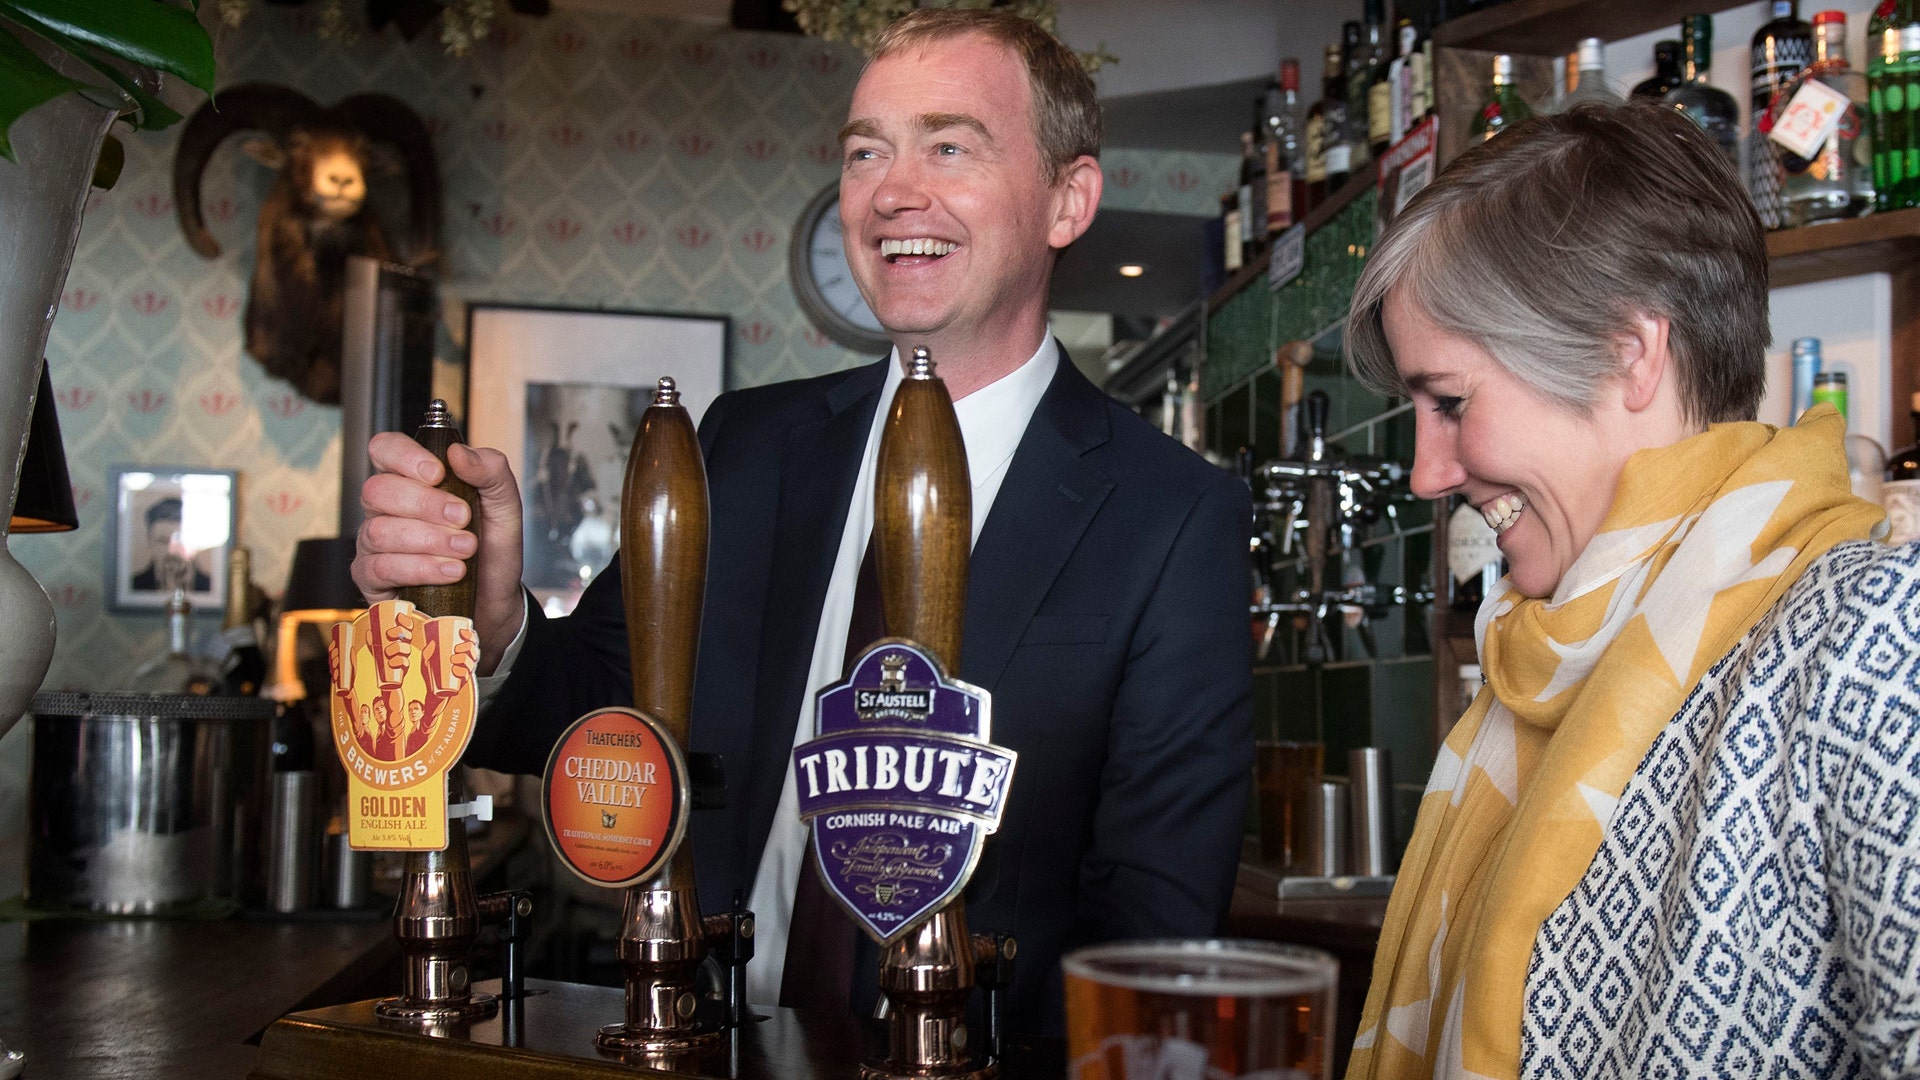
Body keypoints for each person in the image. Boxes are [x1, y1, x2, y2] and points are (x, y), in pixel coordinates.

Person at [351, 8, 1251, 1037]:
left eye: (949, 146)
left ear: (1067, 199)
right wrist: (497, 620)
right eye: (866, 152)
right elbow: (602, 718)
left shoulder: (1173, 516)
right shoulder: (742, 445)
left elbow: (1152, 939)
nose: (890, 191)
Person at [1342, 103, 1920, 1079]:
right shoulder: (1548, 652)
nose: (1425, 473)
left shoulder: (1870, 635)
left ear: (1629, 353)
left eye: (1449, 401)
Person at [130, 496, 210, 592]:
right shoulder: (134, 587)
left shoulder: (213, 588)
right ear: (149, 541)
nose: (171, 551)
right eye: (163, 541)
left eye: (180, 541)